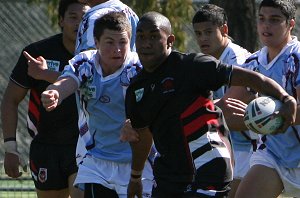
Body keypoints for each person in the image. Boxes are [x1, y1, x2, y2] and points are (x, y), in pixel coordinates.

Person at [125, 11, 297, 198]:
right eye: (141, 37)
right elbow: (142, 135)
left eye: (154, 36)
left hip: (208, 170)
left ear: (170, 40)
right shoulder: (136, 89)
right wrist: (135, 177)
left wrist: (286, 98)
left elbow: (252, 78)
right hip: (168, 176)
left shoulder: (192, 66)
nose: (146, 43)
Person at [40, 12, 153, 198]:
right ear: (96, 41)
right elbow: (68, 80)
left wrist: (136, 122)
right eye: (110, 42)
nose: (117, 49)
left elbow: (153, 106)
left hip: (136, 162)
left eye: (122, 42)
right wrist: (55, 93)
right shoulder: (86, 63)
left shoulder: (138, 69)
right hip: (97, 159)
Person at [1, 1, 89, 198]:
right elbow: (10, 100)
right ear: (60, 21)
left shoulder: (98, 57)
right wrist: (10, 148)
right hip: (47, 147)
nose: (79, 24)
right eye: (73, 17)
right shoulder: (37, 53)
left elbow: (93, 87)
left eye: (84, 19)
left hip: (84, 147)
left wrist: (46, 74)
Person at [219, 0, 300, 197]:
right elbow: (226, 109)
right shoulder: (253, 63)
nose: (266, 25)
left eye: (274, 20)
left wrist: (265, 119)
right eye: (262, 19)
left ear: (290, 24)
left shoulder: (296, 58)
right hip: (273, 155)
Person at [192, 4, 257, 197]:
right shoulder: (205, 60)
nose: (203, 38)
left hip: (247, 148)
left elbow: (229, 110)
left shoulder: (238, 60)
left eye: (208, 32)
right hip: (226, 145)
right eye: (198, 33)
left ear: (224, 30)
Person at [74, 0, 139, 164]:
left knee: (87, 183)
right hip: (132, 123)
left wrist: (48, 76)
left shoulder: (97, 16)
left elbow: (88, 70)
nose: (117, 49)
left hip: (99, 127)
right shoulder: (129, 12)